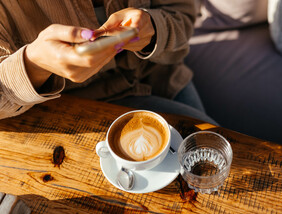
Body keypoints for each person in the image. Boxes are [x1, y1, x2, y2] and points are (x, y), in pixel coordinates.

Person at [0, 0, 216, 124]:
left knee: (217, 146)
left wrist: (154, 28)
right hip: (75, 109)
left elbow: (184, 18)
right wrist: (34, 64)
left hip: (164, 75)